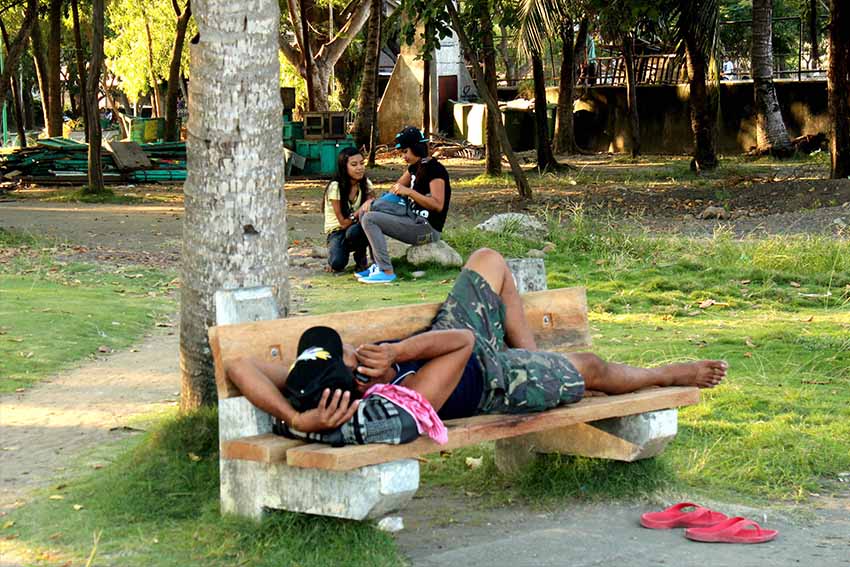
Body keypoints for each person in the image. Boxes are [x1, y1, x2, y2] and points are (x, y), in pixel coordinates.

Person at [227, 248, 728, 444]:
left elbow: (240, 363)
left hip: (443, 340)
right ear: (360, 391)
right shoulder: (401, 399)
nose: (358, 352)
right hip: (486, 376)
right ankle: (666, 373)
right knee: (591, 368)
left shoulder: (309, 381)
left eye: (346, 352)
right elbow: (461, 345)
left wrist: (295, 418)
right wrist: (397, 355)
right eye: (356, 363)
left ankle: (531, 354)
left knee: (489, 259)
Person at [355, 126, 452, 284]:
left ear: (416, 148)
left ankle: (386, 271)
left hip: (427, 228)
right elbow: (394, 190)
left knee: (370, 219)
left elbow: (438, 205)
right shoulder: (414, 167)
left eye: (405, 152)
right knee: (366, 213)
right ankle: (378, 265)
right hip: (410, 216)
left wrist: (409, 192)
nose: (403, 156)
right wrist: (372, 202)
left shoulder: (435, 170)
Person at [322, 148, 374, 273]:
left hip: (356, 228)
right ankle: (335, 252)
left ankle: (361, 257)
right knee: (337, 264)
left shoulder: (366, 183)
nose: (360, 168)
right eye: (354, 165)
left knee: (360, 228)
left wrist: (371, 202)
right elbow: (343, 223)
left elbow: (372, 208)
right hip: (337, 231)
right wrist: (360, 209)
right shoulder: (335, 187)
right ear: (344, 167)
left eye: (362, 163)